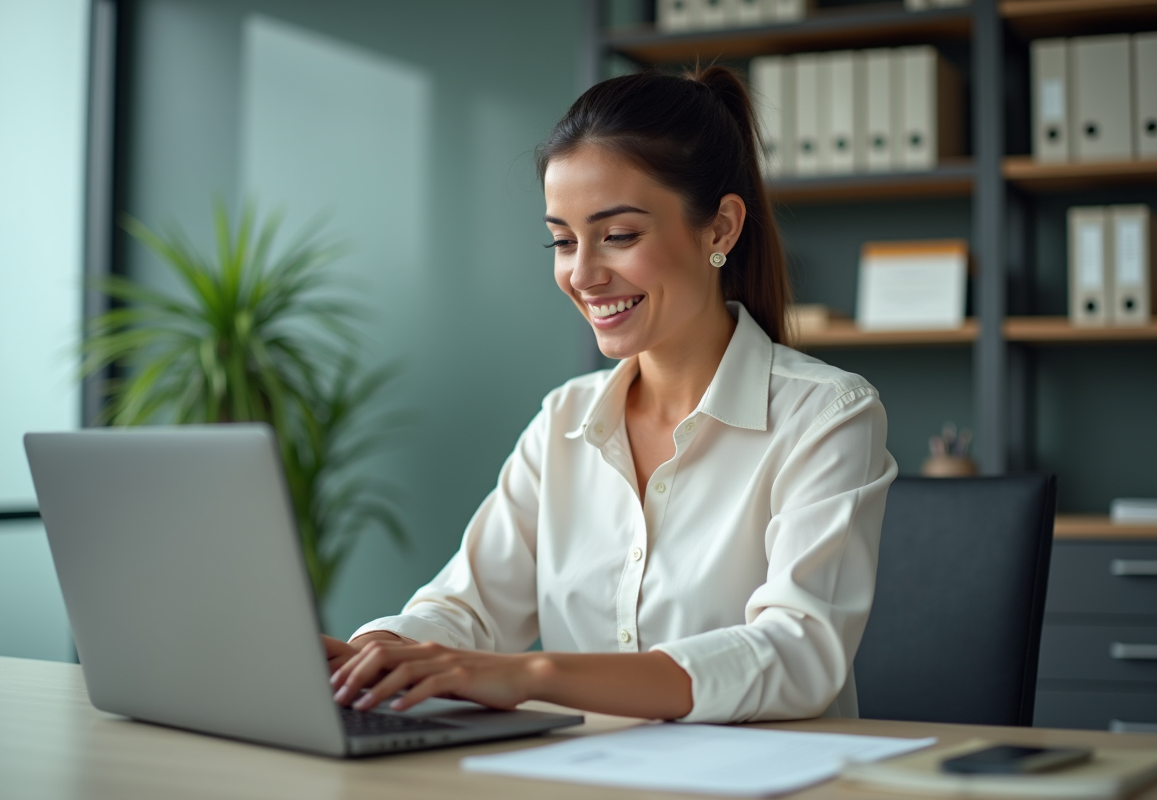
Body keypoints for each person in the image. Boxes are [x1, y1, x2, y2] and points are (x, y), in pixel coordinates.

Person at [325, 66, 897, 723]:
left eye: (619, 236)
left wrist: (533, 674)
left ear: (720, 229)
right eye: (563, 241)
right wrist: (375, 652)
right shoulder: (564, 421)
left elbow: (797, 656)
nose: (583, 274)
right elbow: (467, 608)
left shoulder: (827, 414)